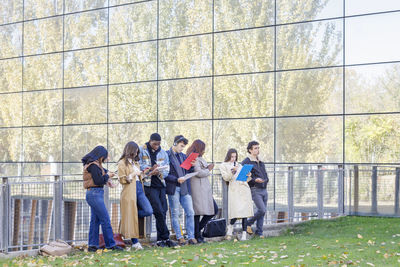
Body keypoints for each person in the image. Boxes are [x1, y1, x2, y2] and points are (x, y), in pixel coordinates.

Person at [82, 145, 123, 252]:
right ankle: (111, 245)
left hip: (95, 194)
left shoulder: (96, 165)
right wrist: (107, 177)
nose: (106, 159)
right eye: (105, 157)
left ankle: (93, 245)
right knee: (105, 219)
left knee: (95, 220)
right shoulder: (93, 166)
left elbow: (104, 174)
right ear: (100, 156)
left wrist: (108, 179)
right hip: (94, 194)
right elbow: (98, 180)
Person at [139, 133, 176, 247]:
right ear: (150, 141)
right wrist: (150, 171)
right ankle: (166, 237)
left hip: (161, 184)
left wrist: (159, 172)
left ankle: (161, 240)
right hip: (149, 186)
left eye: (159, 144)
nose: (156, 146)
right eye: (155, 144)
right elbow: (139, 166)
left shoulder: (163, 152)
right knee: (158, 211)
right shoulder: (141, 150)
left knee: (163, 211)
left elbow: (167, 167)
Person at [118, 141, 153, 250]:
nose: (137, 153)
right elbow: (123, 179)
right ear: (130, 151)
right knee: (132, 214)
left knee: (148, 210)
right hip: (129, 191)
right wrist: (134, 173)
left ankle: (129, 217)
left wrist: (146, 173)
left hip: (139, 189)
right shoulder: (122, 163)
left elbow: (139, 176)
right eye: (135, 151)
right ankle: (135, 242)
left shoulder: (135, 163)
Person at [165, 135, 197, 246]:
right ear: (175, 143)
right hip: (173, 187)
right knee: (175, 213)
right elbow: (164, 174)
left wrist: (192, 167)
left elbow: (187, 171)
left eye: (183, 147)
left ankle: (191, 236)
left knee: (190, 212)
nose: (182, 149)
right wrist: (176, 179)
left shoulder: (184, 156)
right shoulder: (166, 155)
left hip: (184, 188)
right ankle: (180, 237)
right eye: (181, 146)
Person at [187, 139, 218, 243]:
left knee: (212, 210)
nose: (204, 151)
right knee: (197, 213)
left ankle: (197, 232)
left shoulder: (199, 157)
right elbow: (199, 172)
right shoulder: (193, 157)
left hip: (203, 189)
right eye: (203, 148)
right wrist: (209, 169)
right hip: (197, 188)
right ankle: (197, 235)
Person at [220, 149, 254, 241]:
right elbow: (226, 178)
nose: (233, 159)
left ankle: (244, 235)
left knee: (245, 213)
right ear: (228, 156)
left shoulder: (239, 165)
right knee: (236, 212)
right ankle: (230, 228)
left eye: (235, 157)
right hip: (234, 190)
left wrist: (248, 175)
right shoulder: (223, 165)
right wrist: (233, 171)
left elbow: (246, 179)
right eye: (231, 157)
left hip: (244, 189)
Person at [241, 141, 269, 237]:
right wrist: (254, 180)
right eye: (255, 148)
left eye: (258, 148)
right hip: (255, 189)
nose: (258, 150)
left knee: (262, 212)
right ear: (250, 150)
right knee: (262, 210)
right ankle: (248, 223)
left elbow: (264, 173)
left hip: (264, 189)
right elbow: (242, 177)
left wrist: (266, 180)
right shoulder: (246, 161)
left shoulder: (260, 161)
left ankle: (259, 232)